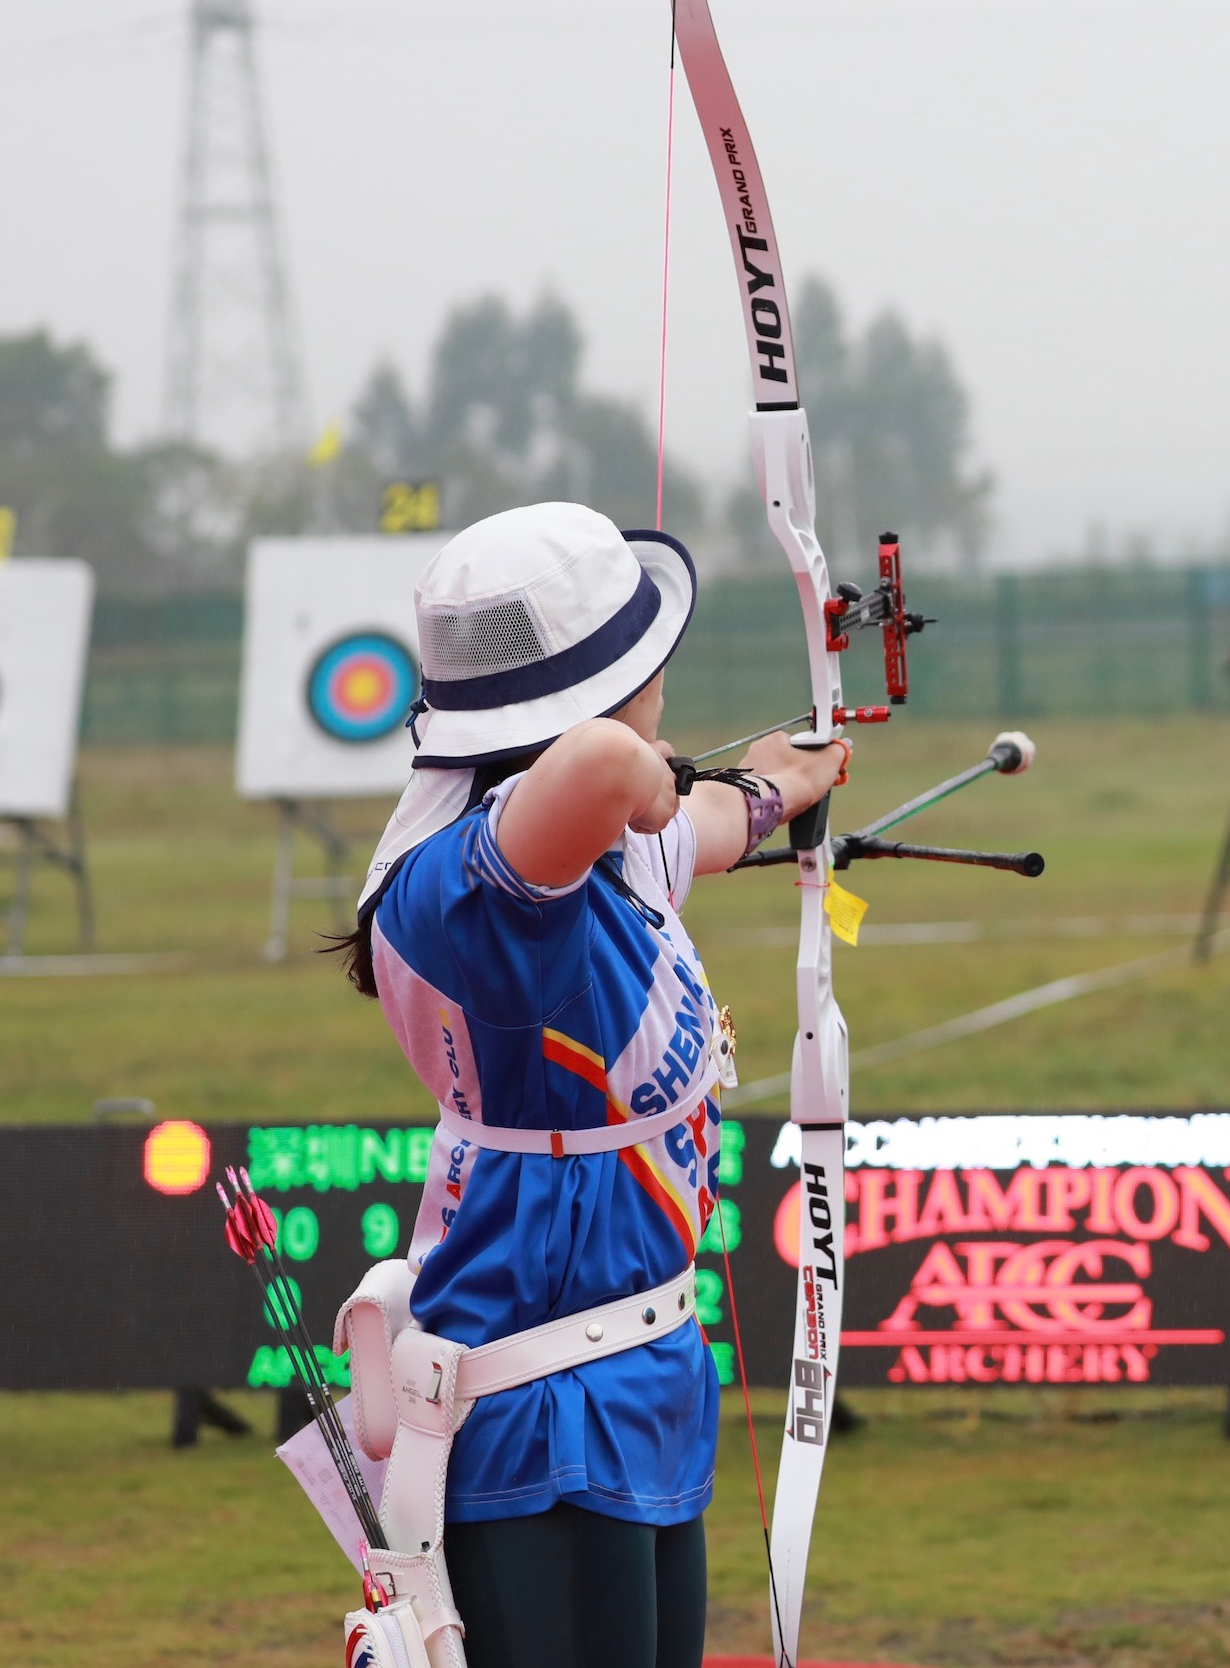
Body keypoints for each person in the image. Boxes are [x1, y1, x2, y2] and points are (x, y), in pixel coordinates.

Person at [331, 502, 846, 1668]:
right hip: (539, 1418)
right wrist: (645, 772)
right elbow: (613, 769)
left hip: (646, 1381)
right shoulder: (467, 890)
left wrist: (775, 788)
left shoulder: (582, 852)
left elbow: (695, 822)